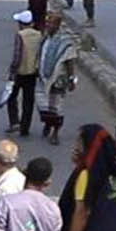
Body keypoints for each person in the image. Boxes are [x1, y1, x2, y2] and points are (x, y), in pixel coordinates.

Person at [37, 14, 79, 142]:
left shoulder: (65, 42)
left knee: (56, 107)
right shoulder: (45, 38)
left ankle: (55, 132)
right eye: (47, 23)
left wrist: (72, 78)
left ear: (58, 25)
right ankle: (48, 124)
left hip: (58, 79)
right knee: (43, 104)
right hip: (44, 76)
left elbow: (70, 61)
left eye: (51, 23)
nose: (48, 25)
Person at [6, 10, 43, 138]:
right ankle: (25, 127)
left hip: (20, 71)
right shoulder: (38, 35)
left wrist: (12, 70)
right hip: (32, 71)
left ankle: (14, 122)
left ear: (21, 24)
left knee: (12, 97)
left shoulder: (20, 35)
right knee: (28, 100)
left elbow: (17, 54)